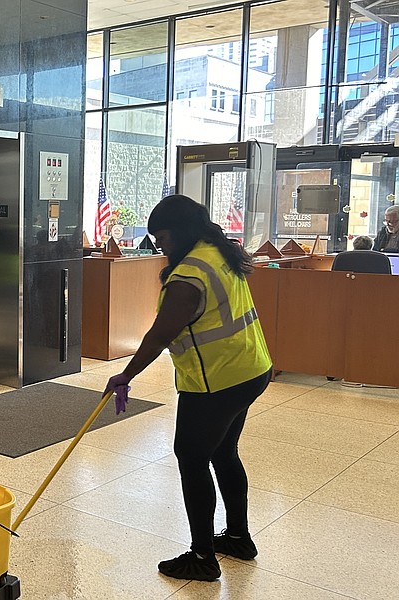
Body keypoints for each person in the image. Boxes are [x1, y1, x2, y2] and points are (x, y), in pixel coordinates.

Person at [105, 194, 272, 582]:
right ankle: (237, 538)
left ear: (178, 232)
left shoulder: (189, 275)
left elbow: (161, 334)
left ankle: (202, 556)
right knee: (224, 453)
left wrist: (125, 375)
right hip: (250, 368)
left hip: (217, 380)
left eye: (161, 237)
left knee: (192, 459)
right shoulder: (219, 252)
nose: (159, 246)